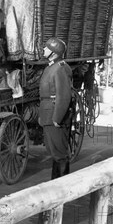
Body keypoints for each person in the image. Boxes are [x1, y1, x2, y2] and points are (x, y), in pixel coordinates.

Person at [39, 38, 73, 180]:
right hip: (48, 114)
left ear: (53, 53)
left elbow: (63, 96)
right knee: (55, 153)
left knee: (60, 155)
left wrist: (56, 118)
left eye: (46, 48)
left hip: (54, 115)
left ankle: (62, 190)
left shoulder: (60, 68)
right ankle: (55, 185)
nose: (43, 50)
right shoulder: (51, 67)